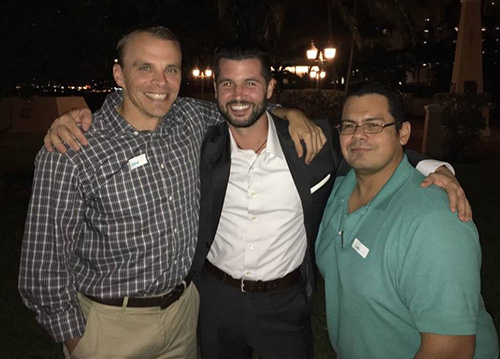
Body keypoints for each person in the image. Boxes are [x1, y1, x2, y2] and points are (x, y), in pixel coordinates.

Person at [41, 40, 472, 358]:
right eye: (227, 83)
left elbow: (373, 149)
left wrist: (436, 168)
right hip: (213, 299)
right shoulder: (200, 137)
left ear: (270, 88)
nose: (239, 93)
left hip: (284, 305)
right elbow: (135, 108)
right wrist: (81, 117)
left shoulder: (314, 143)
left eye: (251, 82)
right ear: (215, 90)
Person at [18, 26, 323, 359]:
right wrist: (77, 340)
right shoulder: (73, 148)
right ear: (119, 73)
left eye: (171, 69)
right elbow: (42, 264)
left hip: (184, 316)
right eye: (145, 67)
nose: (160, 82)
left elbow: (243, 107)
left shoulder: (190, 119)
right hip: (110, 326)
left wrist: (290, 113)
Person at [315, 81, 499, 359]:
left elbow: (451, 350)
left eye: (374, 125)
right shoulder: (337, 190)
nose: (358, 135)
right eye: (349, 125)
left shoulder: (434, 222)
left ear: (403, 133)